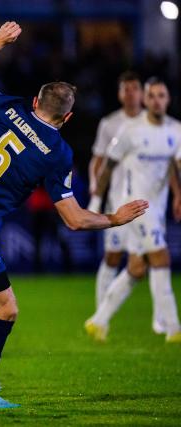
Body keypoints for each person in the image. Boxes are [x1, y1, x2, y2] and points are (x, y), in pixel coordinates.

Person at [0, 22, 148, 408]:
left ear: (36, 102)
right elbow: (73, 220)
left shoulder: (8, 107)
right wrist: (115, 219)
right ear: (67, 119)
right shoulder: (58, 154)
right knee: (6, 311)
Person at [85, 77, 181, 343]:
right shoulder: (128, 131)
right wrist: (95, 202)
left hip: (158, 208)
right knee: (161, 258)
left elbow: (177, 165)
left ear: (168, 99)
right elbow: (106, 167)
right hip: (135, 207)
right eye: (152, 96)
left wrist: (178, 194)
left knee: (137, 268)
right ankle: (173, 328)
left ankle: (99, 320)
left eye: (162, 95)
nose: (157, 100)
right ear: (145, 100)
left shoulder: (176, 130)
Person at [87, 71, 145, 316]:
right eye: (126, 89)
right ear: (120, 94)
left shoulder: (155, 123)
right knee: (112, 257)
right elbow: (97, 161)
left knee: (145, 262)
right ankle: (102, 313)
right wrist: (95, 189)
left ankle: (103, 317)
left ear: (142, 93)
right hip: (117, 201)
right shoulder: (110, 124)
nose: (130, 93)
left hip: (147, 202)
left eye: (134, 88)